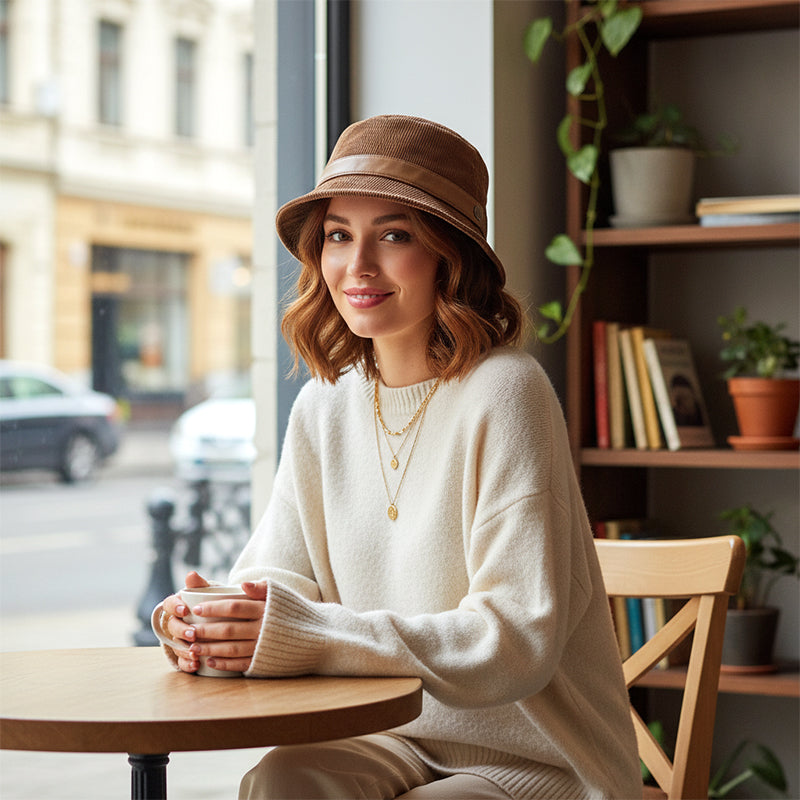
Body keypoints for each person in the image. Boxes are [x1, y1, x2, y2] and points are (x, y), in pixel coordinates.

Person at [155, 114, 642, 799]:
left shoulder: (506, 391)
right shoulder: (323, 408)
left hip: (533, 759)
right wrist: (214, 618)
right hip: (385, 735)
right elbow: (279, 577)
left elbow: (512, 642)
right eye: (337, 236)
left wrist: (311, 635)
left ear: (450, 254)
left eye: (393, 235)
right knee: (283, 781)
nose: (357, 266)